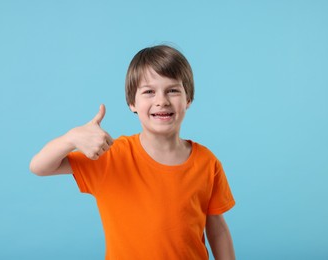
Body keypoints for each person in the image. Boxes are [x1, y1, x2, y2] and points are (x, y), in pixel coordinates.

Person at [30, 44, 236, 260]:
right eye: (149, 92)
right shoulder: (111, 156)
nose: (161, 101)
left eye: (173, 90)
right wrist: (70, 138)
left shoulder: (207, 162)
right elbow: (39, 167)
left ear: (188, 99)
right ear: (132, 103)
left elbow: (217, 228)